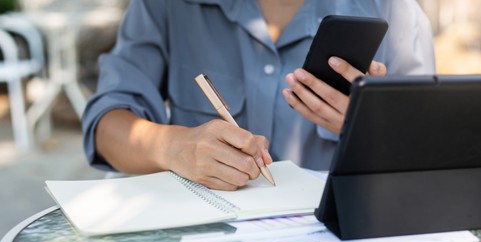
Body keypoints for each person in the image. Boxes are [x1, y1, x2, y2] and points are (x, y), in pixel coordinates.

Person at [82, 0, 435, 191]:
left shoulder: (395, 12)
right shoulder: (168, 7)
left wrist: (376, 131)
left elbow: (432, 161)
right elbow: (106, 124)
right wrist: (172, 147)